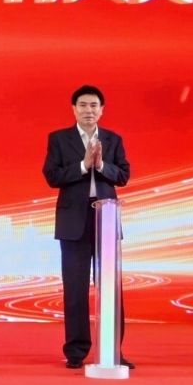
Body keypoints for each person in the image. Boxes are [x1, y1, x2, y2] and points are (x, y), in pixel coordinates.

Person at [43, 84, 133, 369]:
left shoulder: (113, 139)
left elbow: (123, 175)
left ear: (101, 110)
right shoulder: (59, 139)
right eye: (83, 105)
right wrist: (83, 165)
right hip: (73, 222)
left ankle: (112, 350)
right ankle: (76, 351)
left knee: (110, 288)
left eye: (94, 105)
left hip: (106, 219)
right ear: (74, 109)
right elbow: (52, 176)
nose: (88, 110)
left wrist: (102, 165)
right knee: (75, 288)